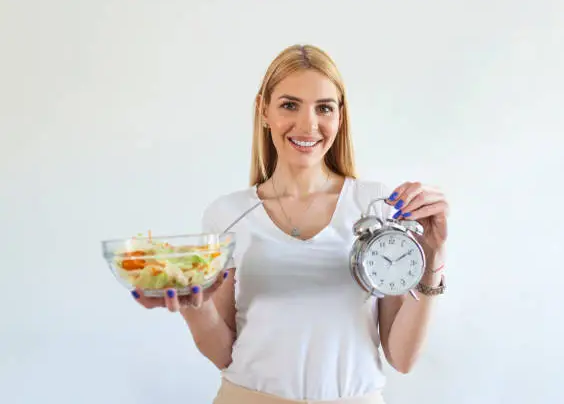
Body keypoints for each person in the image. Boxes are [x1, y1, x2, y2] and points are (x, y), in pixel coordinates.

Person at [131, 44, 449, 404]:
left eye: (324, 108)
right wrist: (195, 306)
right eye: (289, 105)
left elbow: (402, 358)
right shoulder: (227, 214)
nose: (308, 125)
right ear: (263, 110)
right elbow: (224, 354)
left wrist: (432, 259)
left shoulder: (376, 207)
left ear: (340, 117)